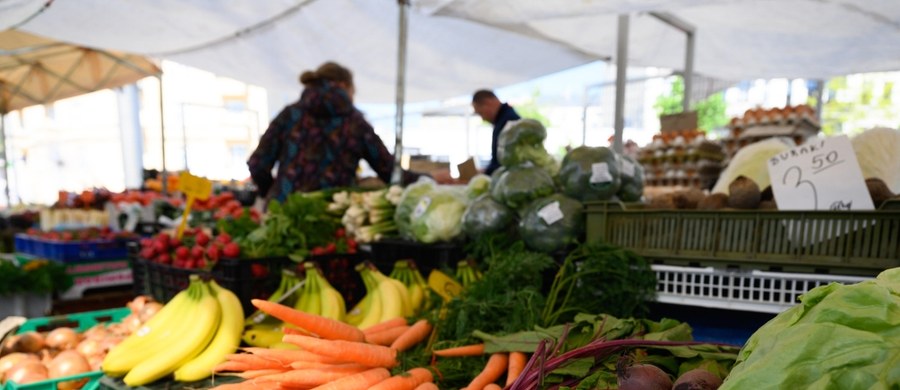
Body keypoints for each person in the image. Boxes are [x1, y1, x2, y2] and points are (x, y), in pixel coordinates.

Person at [247, 62, 394, 203]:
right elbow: (390, 170)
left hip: (284, 214)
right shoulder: (355, 122)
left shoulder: (290, 115)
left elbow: (257, 164)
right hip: (331, 217)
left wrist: (274, 194)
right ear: (344, 85)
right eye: (353, 92)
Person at [472, 90, 520, 175]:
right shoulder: (503, 120)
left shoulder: (508, 121)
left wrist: (486, 173)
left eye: (481, 113)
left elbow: (505, 161)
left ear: (488, 102)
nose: (483, 118)